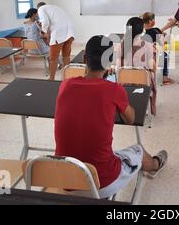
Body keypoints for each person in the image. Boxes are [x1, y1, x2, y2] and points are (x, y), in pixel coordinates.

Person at [55, 36, 167, 199]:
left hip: (64, 178)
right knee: (138, 150)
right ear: (109, 63)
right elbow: (130, 118)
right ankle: (156, 165)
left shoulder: (66, 85)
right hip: (100, 183)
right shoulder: (114, 90)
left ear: (85, 59)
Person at [122, 17, 158, 115]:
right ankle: (145, 105)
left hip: (125, 82)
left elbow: (119, 66)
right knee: (151, 75)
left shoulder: (123, 44)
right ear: (142, 29)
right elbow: (153, 68)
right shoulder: (147, 45)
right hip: (143, 82)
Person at [37, 2, 75, 80]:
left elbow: (45, 21)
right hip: (70, 30)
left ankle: (51, 79)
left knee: (53, 58)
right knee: (66, 56)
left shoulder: (41, 9)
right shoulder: (54, 7)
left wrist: (43, 32)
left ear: (38, 8)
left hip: (59, 31)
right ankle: (67, 78)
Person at [141, 12, 172, 85]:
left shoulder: (141, 31)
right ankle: (165, 77)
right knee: (166, 56)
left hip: (142, 56)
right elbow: (163, 44)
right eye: (153, 20)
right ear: (150, 21)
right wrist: (164, 37)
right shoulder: (155, 31)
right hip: (154, 56)